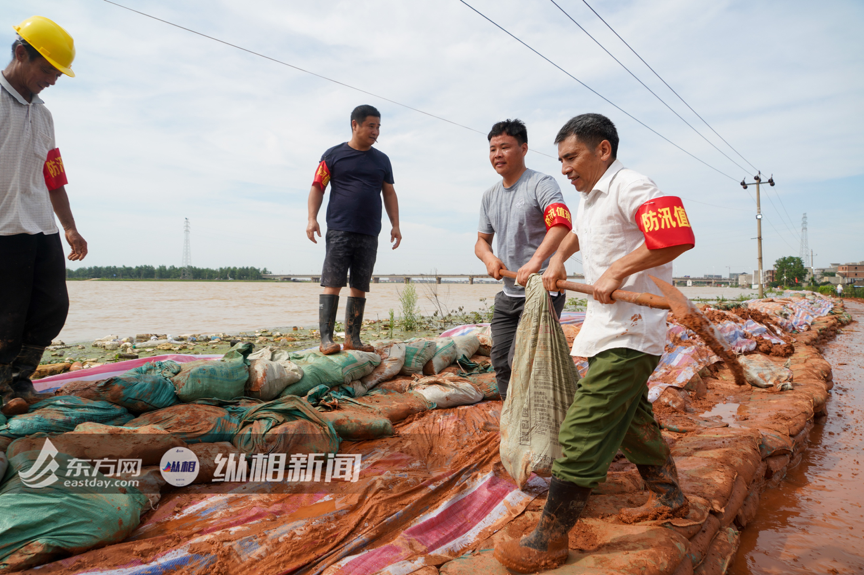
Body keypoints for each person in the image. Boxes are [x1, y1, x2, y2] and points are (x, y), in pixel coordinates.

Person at [494, 113, 695, 572]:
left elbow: (675, 236)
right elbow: (580, 234)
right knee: (631, 419)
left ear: (602, 150)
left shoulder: (633, 185)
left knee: (584, 426)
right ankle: (668, 496)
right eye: (560, 159)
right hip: (607, 329)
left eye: (571, 157)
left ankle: (549, 537)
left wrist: (618, 271)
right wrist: (558, 260)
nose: (564, 168)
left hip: (633, 330)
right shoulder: (592, 197)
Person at [1, 16, 87, 417]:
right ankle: (3, 387)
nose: (52, 79)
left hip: (40, 226)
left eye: (57, 73)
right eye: (47, 69)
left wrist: (69, 227)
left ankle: (20, 380)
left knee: (51, 307)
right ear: (21, 53)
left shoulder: (45, 115)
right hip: (4, 228)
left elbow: (53, 174)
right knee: (7, 315)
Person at [475, 119, 572, 400]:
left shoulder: (541, 183)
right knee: (501, 361)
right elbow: (481, 241)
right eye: (493, 149)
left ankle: (538, 421)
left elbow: (561, 223)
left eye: (505, 147)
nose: (497, 154)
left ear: (524, 148)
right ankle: (512, 420)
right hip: (509, 293)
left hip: (542, 289)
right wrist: (489, 258)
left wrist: (536, 261)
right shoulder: (489, 196)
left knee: (525, 361)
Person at [306, 104, 401, 354]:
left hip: (370, 231)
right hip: (340, 229)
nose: (376, 131)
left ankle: (352, 338)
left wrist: (396, 225)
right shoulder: (333, 155)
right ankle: (326, 339)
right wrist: (312, 219)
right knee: (333, 281)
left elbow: (389, 192)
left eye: (378, 127)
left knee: (360, 283)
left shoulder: (382, 160)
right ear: (355, 125)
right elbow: (317, 187)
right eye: (371, 126)